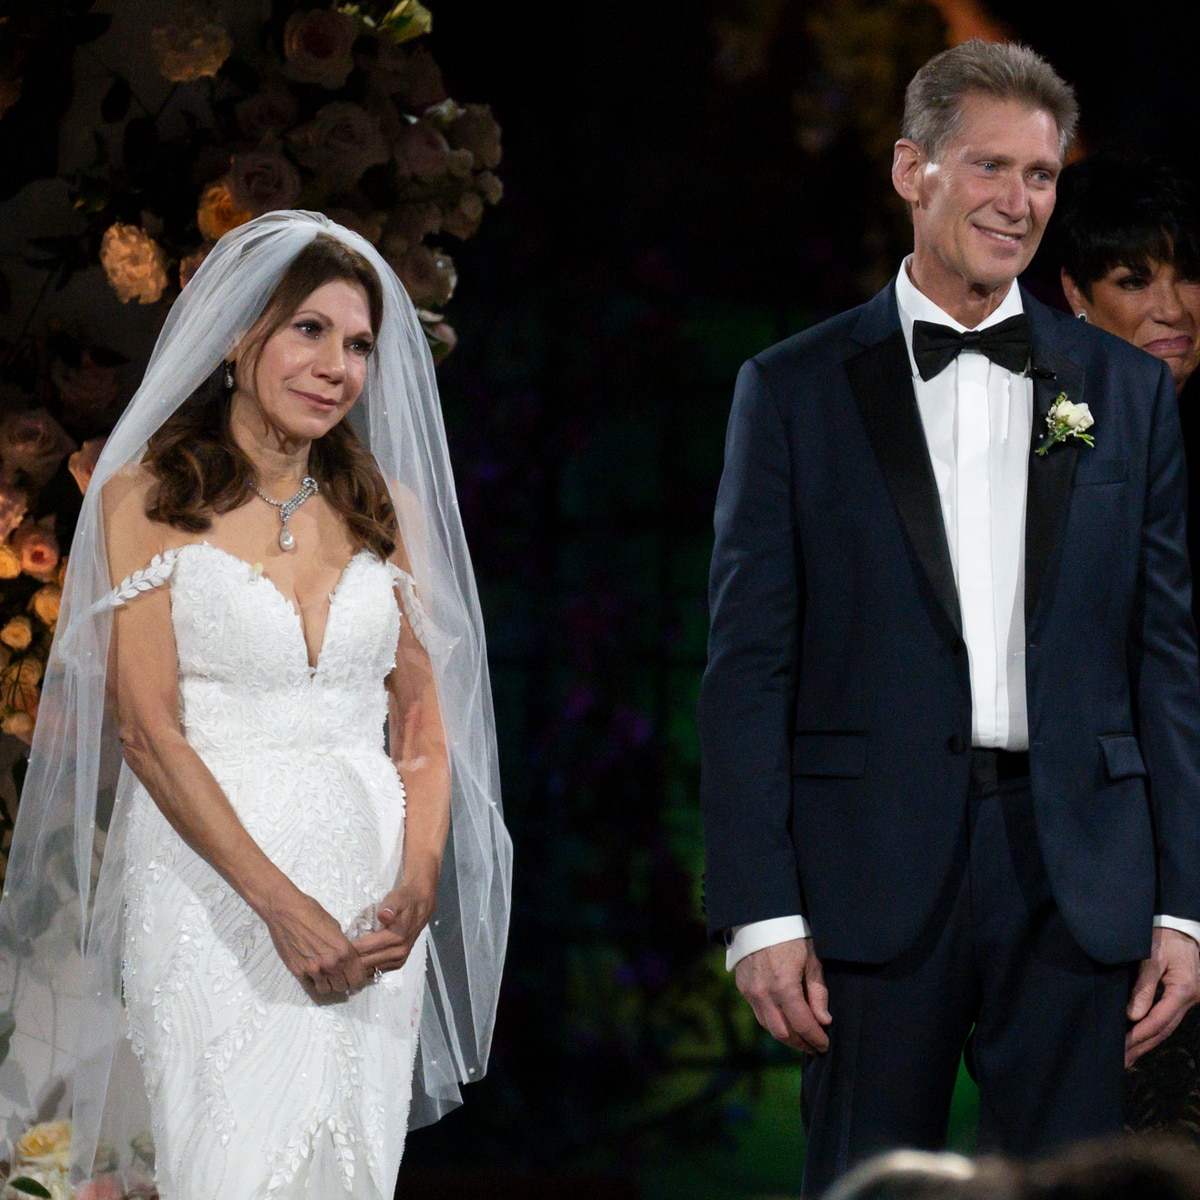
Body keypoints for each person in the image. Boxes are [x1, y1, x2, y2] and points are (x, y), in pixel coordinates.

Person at [698, 39, 1200, 1198]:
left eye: (1041, 176)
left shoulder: (1118, 393)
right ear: (911, 169)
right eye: (990, 168)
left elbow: (1164, 660)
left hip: (1079, 876)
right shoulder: (791, 389)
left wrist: (1182, 905)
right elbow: (748, 666)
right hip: (868, 876)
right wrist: (758, 910)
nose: (1019, 203)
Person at [0, 212, 512, 1199]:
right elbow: (147, 729)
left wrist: (416, 880)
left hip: (367, 906)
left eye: (358, 343)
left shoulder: (387, 509)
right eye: (309, 331)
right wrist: (280, 907)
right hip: (211, 896)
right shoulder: (144, 494)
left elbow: (421, 724)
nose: (338, 365)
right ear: (240, 338)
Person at [1052, 154, 1200, 1138]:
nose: (1174, 305)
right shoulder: (1052, 437)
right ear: (1076, 297)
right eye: (1134, 278)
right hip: (1096, 873)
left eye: (1188, 273)